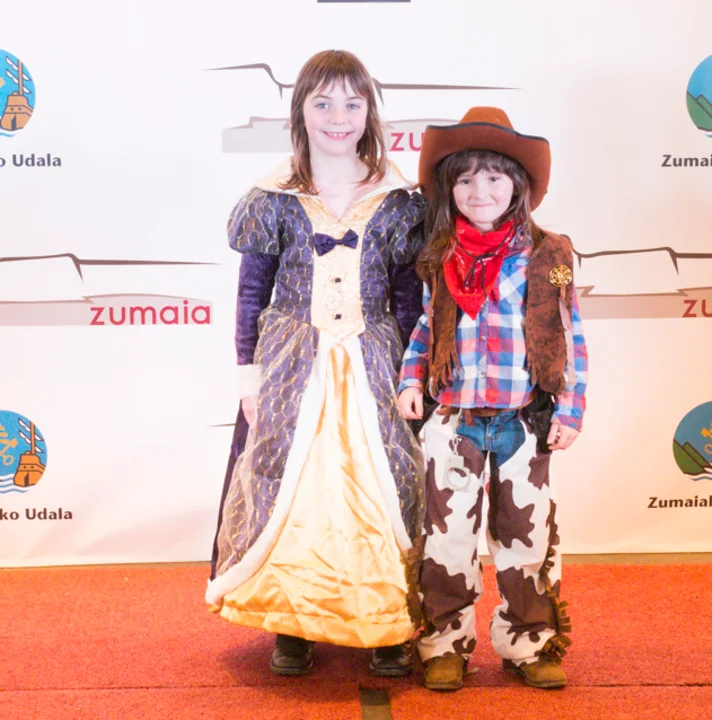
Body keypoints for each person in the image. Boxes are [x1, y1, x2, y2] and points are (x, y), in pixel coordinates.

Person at [207, 50, 426, 679]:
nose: (338, 117)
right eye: (322, 102)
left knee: (385, 481)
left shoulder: (398, 200)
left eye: (352, 103)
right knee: (286, 479)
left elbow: (410, 299)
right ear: (300, 111)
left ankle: (387, 622)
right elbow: (252, 293)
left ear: (369, 112)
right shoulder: (273, 198)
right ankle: (292, 622)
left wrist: (415, 376)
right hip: (291, 364)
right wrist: (248, 376)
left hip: (374, 359)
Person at [396, 107, 588, 691]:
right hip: (453, 420)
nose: (479, 191)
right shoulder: (441, 255)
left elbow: (569, 332)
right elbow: (427, 327)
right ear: (449, 188)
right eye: (465, 179)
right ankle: (443, 643)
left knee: (526, 538)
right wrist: (411, 380)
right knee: (445, 537)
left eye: (494, 177)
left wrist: (570, 408)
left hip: (521, 422)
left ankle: (530, 642)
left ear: (518, 185)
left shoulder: (550, 255)